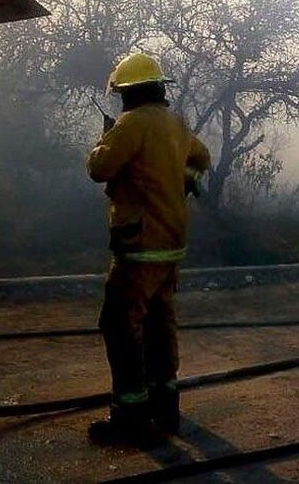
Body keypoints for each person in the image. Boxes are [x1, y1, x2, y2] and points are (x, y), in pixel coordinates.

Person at [86, 53, 211, 446]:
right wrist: (184, 183)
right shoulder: (176, 124)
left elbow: (99, 169)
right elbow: (201, 158)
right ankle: (165, 409)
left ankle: (131, 418)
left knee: (119, 325)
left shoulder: (131, 123)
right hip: (171, 244)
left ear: (129, 92)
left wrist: (106, 138)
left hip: (139, 246)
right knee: (159, 324)